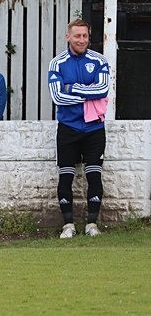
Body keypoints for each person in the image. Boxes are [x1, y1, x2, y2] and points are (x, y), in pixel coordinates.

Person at [48, 18, 110, 238]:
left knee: (94, 176)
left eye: (85, 36)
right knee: (66, 177)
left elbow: (103, 90)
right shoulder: (57, 63)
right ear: (68, 37)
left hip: (94, 128)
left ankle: (92, 224)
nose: (81, 40)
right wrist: (87, 91)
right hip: (68, 127)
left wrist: (72, 87)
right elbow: (57, 97)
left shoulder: (100, 61)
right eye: (77, 36)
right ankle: (68, 225)